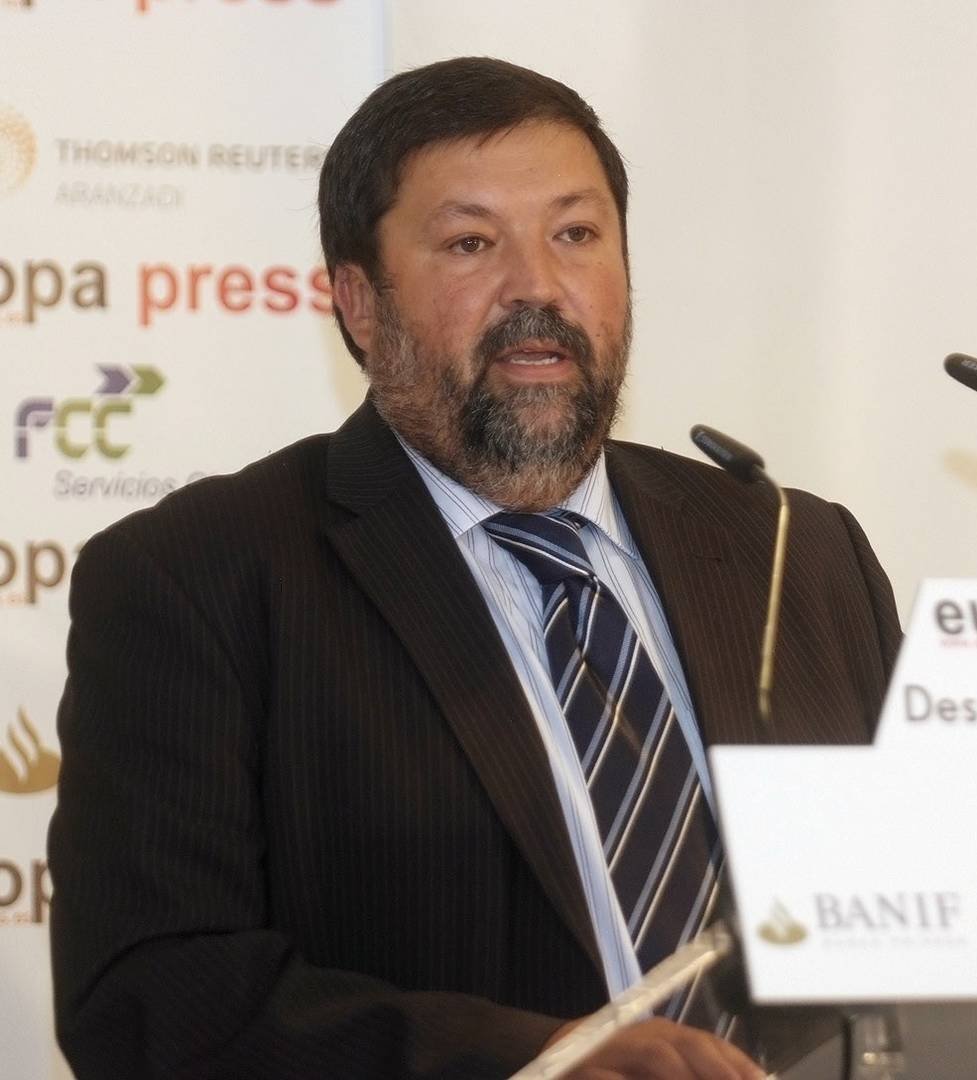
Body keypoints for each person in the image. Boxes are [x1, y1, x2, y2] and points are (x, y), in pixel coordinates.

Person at [48, 58, 901, 1080]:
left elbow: (913, 909)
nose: (537, 286)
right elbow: (147, 1000)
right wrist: (538, 1060)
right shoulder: (199, 579)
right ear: (359, 304)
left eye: (575, 235)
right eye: (470, 243)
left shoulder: (795, 551)